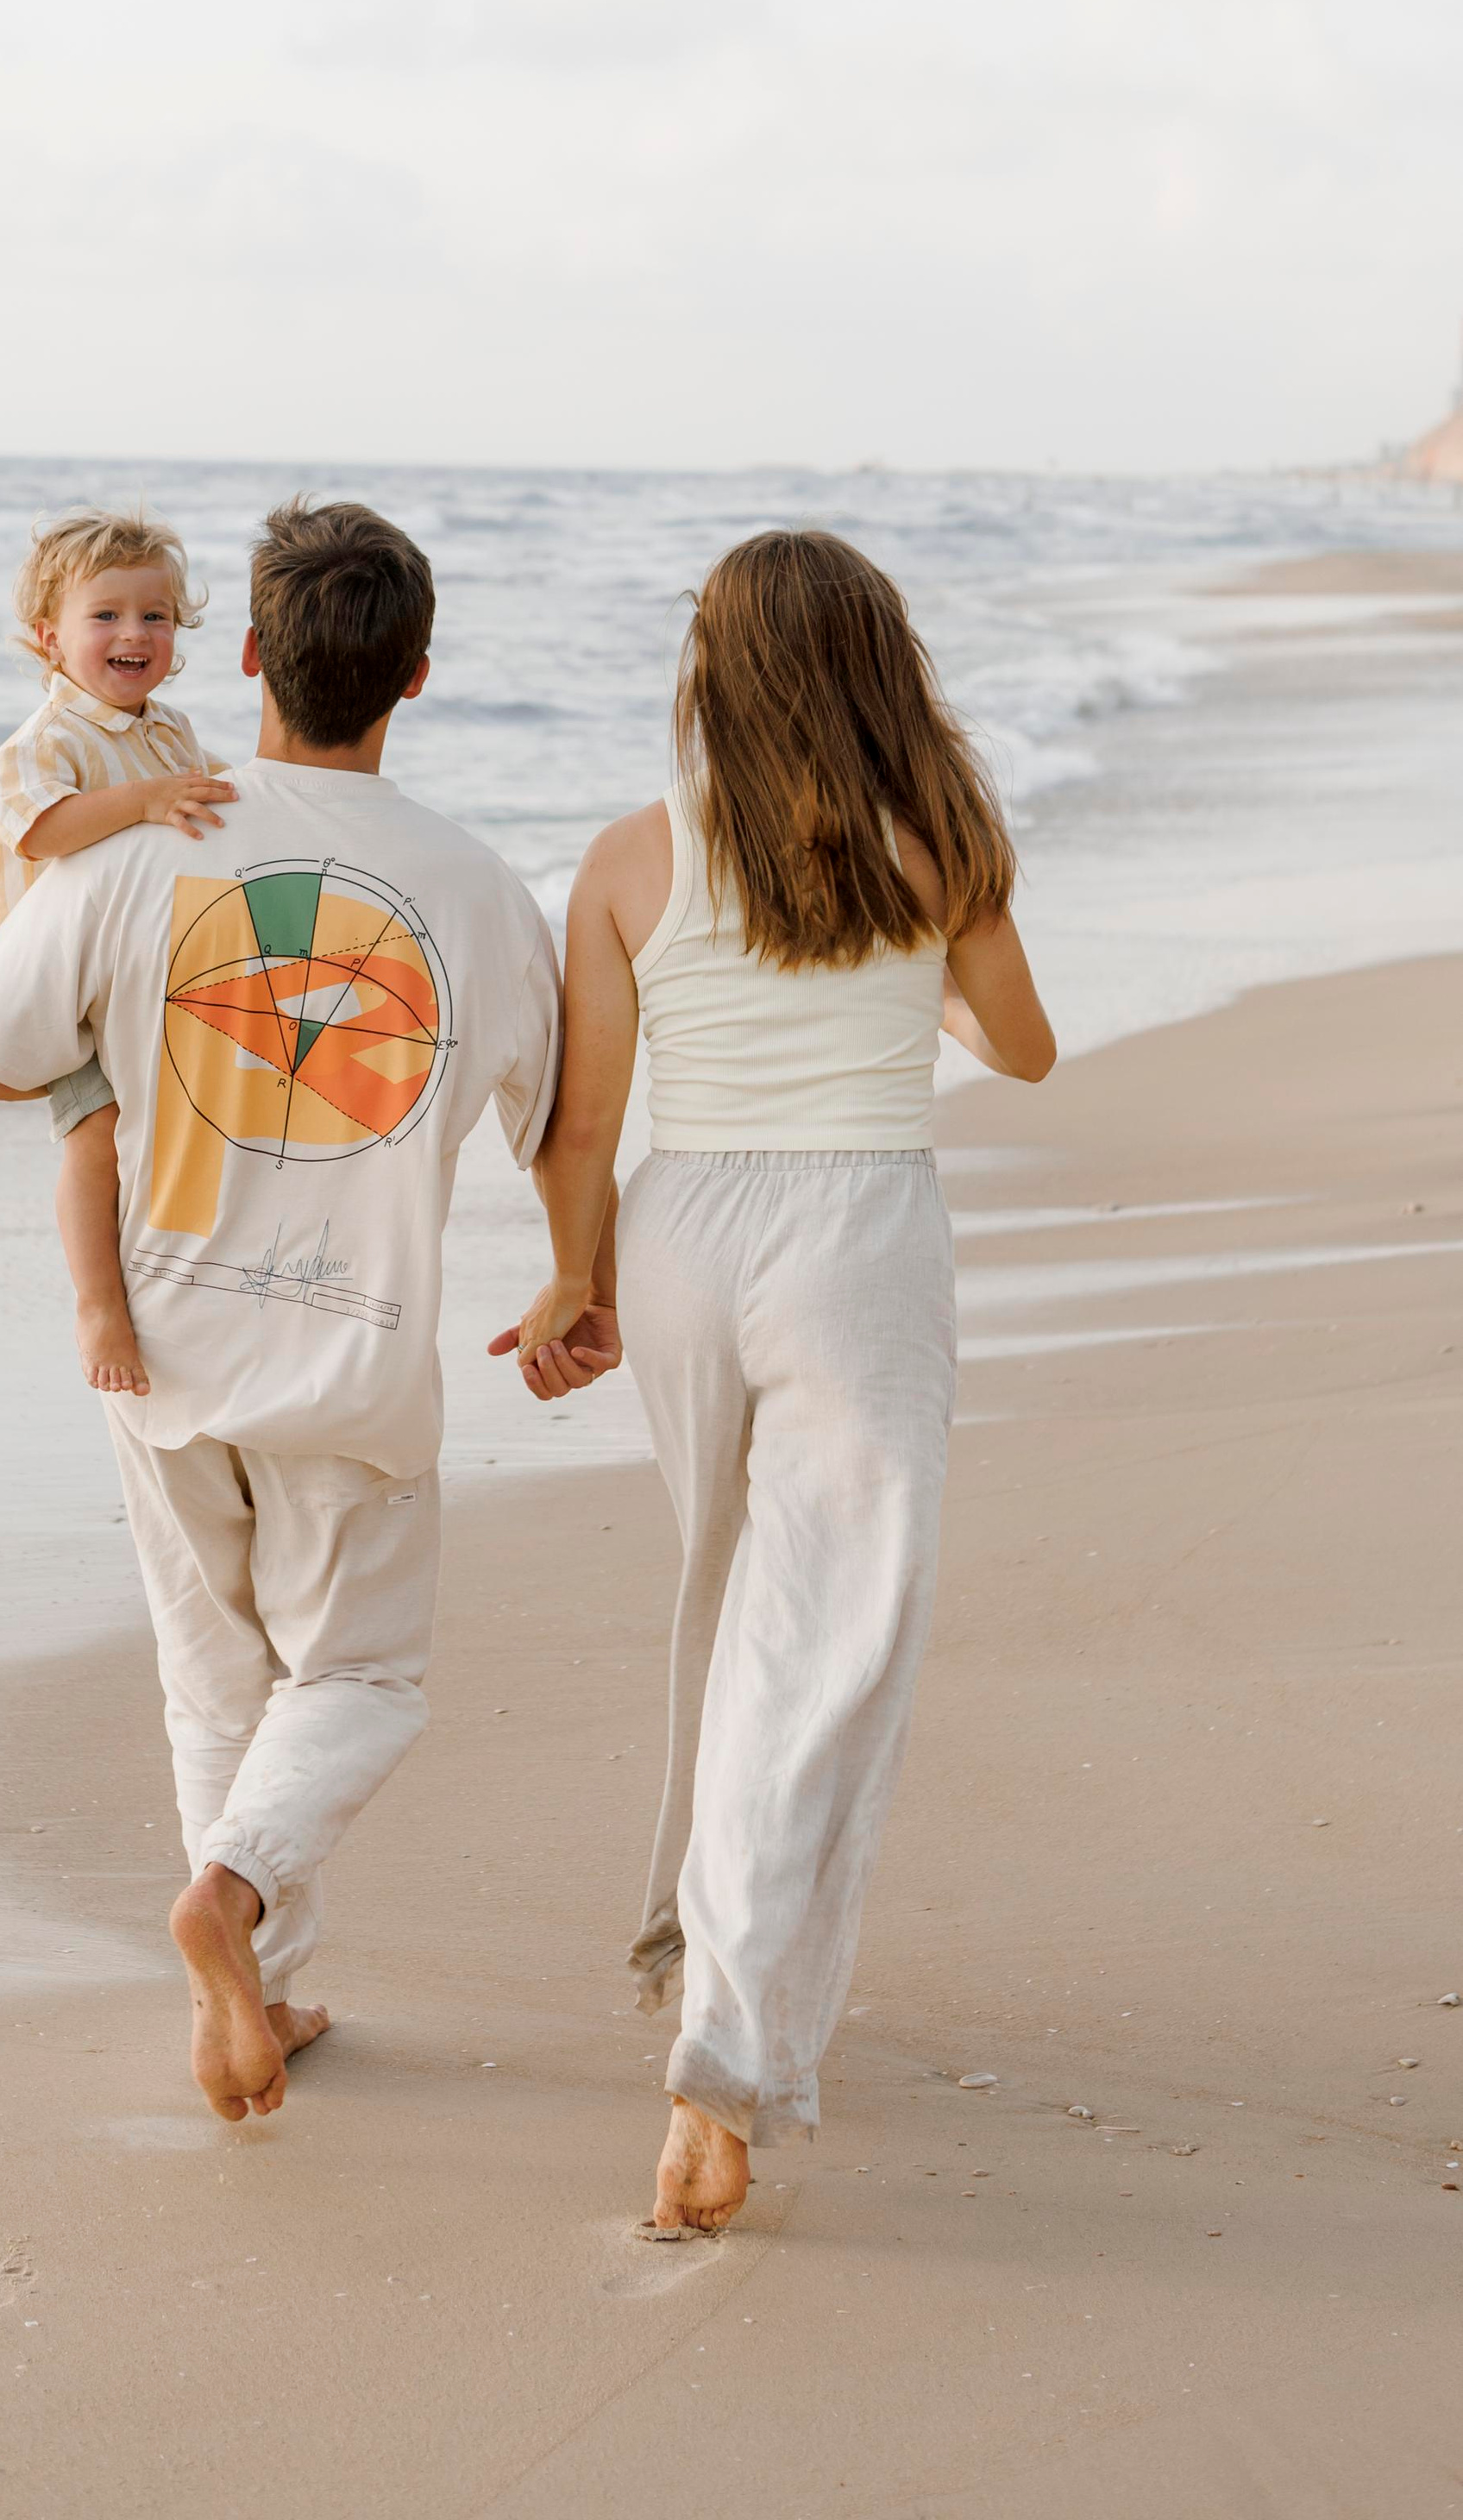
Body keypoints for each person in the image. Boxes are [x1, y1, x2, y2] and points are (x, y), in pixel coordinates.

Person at [0, 499, 563, 2122]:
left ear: (240, 656)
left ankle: (263, 1983)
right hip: (351, 1361)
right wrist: (587, 1281)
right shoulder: (486, 893)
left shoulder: (147, 843)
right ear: (414, 676)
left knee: (216, 1682)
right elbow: (556, 1116)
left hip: (156, 1341)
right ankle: (239, 1907)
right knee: (356, 1680)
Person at [505, 528, 1054, 2234]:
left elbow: (579, 1124)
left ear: (708, 669)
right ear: (880, 667)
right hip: (857, 1236)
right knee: (825, 1643)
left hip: (682, 1229)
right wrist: (918, 977)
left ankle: (702, 1941)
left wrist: (568, 1286)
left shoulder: (627, 858)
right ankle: (723, 2050)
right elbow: (1020, 1047)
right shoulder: (936, 843)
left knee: (727, 1597)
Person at [0, 506, 236, 1396]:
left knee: (185, 1125)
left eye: (154, 616)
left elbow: (205, 818)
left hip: (148, 983)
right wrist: (148, 801)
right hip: (59, 992)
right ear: (49, 639)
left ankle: (184, 1261)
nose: (134, 633)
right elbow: (46, 831)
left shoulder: (170, 733)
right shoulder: (41, 746)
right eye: (106, 615)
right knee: (95, 1133)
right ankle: (96, 1303)